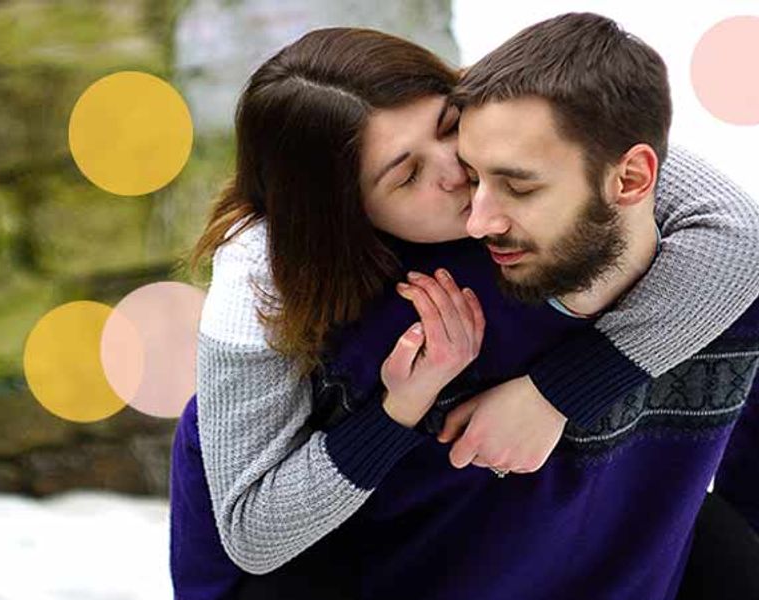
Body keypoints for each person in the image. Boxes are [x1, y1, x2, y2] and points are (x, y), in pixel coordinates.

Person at [169, 18, 759, 600]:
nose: (459, 172)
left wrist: (558, 393)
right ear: (349, 214)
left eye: (449, 128)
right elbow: (253, 530)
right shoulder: (266, 278)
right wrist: (398, 410)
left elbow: (733, 233)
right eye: (409, 175)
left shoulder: (516, 146)